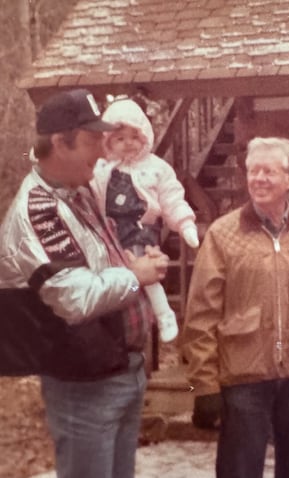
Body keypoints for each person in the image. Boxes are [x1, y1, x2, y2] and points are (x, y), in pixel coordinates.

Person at [0, 88, 169, 478]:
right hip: (84, 386)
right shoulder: (37, 211)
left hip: (121, 369)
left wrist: (139, 258)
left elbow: (106, 254)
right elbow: (75, 298)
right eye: (93, 140)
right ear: (60, 142)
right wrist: (135, 276)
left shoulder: (80, 191)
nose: (103, 149)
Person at [181, 136, 289, 478]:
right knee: (239, 471)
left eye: (269, 171)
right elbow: (201, 316)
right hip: (242, 377)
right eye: (253, 170)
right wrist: (205, 386)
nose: (259, 179)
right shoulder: (222, 235)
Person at [91, 98, 199, 342]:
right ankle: (114, 322)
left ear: (144, 137)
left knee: (145, 269)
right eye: (120, 139)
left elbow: (172, 198)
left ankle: (163, 314)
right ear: (108, 141)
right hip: (111, 231)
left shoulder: (157, 168)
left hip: (141, 229)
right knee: (116, 275)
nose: (128, 144)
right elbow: (87, 188)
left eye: (133, 137)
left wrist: (185, 224)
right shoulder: (102, 168)